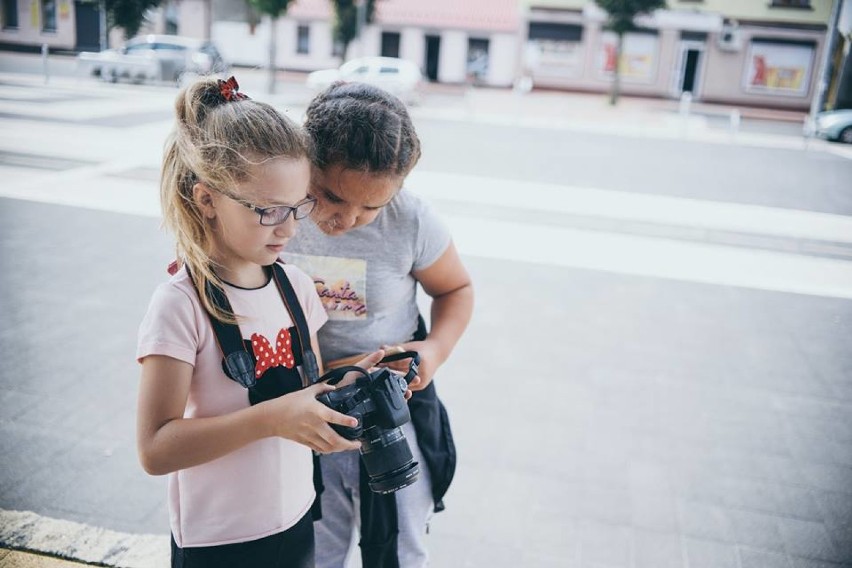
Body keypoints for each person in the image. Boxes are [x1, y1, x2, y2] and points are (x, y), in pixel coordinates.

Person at [135, 76, 383, 568]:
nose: (289, 227)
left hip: (297, 515)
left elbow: (302, 391)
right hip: (218, 541)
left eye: (298, 207)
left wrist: (354, 377)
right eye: (269, 211)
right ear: (207, 200)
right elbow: (155, 449)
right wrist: (270, 419)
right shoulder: (180, 305)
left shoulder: (295, 287)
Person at [282, 81, 474, 567]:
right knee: (310, 550)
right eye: (329, 196)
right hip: (299, 410)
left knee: (399, 552)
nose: (347, 218)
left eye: (371, 206)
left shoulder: (412, 221)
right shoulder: (276, 206)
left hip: (388, 411)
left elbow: (455, 290)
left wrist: (432, 351)